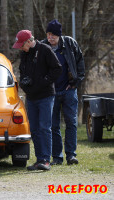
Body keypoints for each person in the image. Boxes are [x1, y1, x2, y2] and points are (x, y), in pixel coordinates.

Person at [12, 30, 62, 170]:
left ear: (29, 41)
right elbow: (23, 71)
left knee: (44, 128)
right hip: (32, 97)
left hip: (46, 96)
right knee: (33, 128)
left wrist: (44, 81)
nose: (20, 48)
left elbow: (57, 69)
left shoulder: (45, 49)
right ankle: (39, 159)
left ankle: (46, 160)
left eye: (22, 45)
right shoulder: (24, 54)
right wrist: (24, 83)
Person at [42, 19, 85, 165]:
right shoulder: (43, 46)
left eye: (53, 34)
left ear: (59, 35)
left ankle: (71, 155)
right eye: (48, 34)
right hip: (50, 93)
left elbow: (80, 62)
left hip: (69, 91)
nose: (50, 37)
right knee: (53, 125)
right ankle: (57, 157)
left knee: (71, 123)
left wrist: (75, 82)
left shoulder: (70, 43)